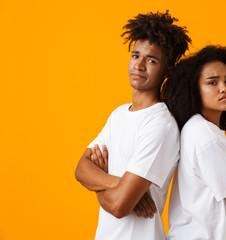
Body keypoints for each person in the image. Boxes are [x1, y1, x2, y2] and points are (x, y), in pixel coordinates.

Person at [75, 11, 191, 240]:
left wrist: (101, 183)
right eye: (135, 55)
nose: (139, 65)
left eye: (151, 60)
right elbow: (80, 170)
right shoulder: (118, 114)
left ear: (167, 70)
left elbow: (120, 206)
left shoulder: (161, 124)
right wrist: (119, 182)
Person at [163, 45, 226, 240]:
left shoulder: (198, 129)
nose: (224, 88)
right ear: (194, 89)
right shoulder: (205, 135)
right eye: (212, 82)